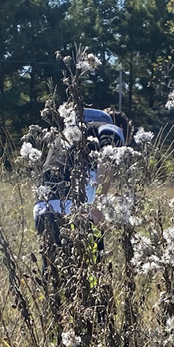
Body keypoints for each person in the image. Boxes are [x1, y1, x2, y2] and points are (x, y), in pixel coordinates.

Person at [33, 114, 125, 279]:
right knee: (92, 279)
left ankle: (54, 303)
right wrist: (98, 206)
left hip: (42, 209)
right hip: (75, 211)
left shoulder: (61, 140)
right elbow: (108, 157)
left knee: (54, 275)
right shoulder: (106, 127)